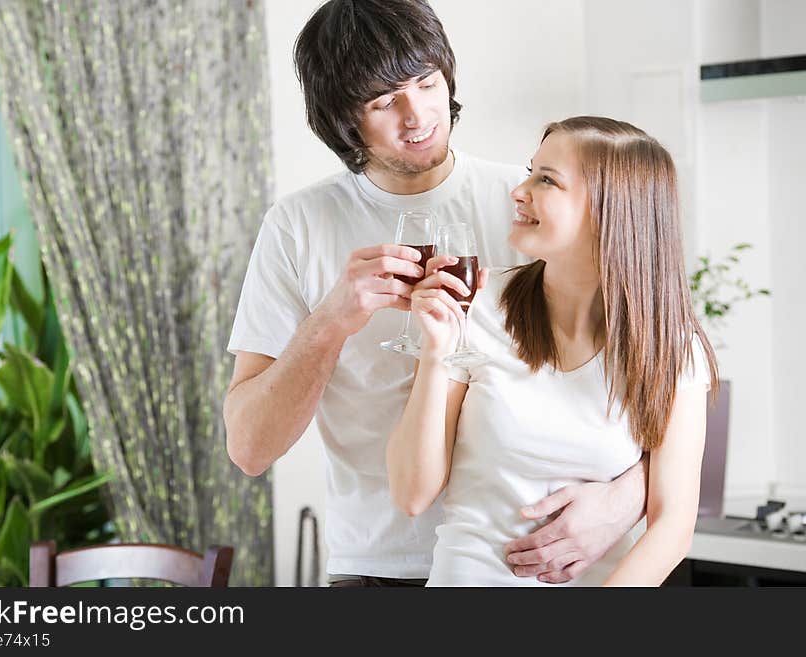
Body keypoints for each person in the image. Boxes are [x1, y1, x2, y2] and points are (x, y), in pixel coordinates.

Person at [223, 0, 647, 587]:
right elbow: (249, 448)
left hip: (526, 567)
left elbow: (669, 375)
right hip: (376, 570)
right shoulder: (298, 226)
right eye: (383, 102)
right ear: (344, 121)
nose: (418, 114)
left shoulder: (528, 205)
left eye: (426, 82)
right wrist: (332, 321)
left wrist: (630, 497)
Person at [387, 116, 719, 586]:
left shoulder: (672, 348)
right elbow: (410, 493)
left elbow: (673, 529)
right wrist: (438, 347)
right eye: (530, 172)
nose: (518, 191)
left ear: (610, 210)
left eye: (546, 180)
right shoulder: (478, 306)